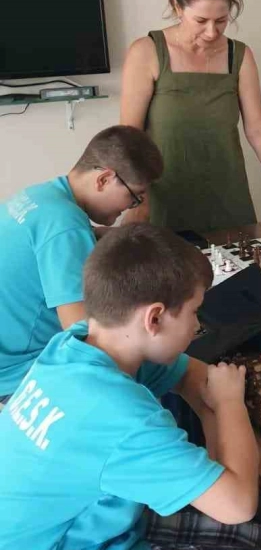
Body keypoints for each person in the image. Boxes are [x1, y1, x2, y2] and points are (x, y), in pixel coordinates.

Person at [0, 225, 261, 550]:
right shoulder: (117, 413)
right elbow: (238, 502)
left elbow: (193, 378)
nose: (198, 327)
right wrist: (230, 404)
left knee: (240, 540)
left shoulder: (75, 347)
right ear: (154, 317)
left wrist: (215, 412)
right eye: (194, 313)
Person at [120, 0, 261, 232]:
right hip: (161, 201)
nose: (212, 32)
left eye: (221, 21)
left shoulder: (239, 56)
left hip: (228, 200)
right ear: (177, 7)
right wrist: (138, 200)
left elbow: (258, 129)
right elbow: (129, 136)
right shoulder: (146, 52)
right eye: (201, 20)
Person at [0, 125, 163, 399]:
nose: (130, 207)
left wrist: (95, 236)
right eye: (133, 197)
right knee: (152, 366)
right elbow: (83, 336)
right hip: (17, 375)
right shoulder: (65, 225)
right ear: (104, 179)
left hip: (7, 352)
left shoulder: (40, 195)